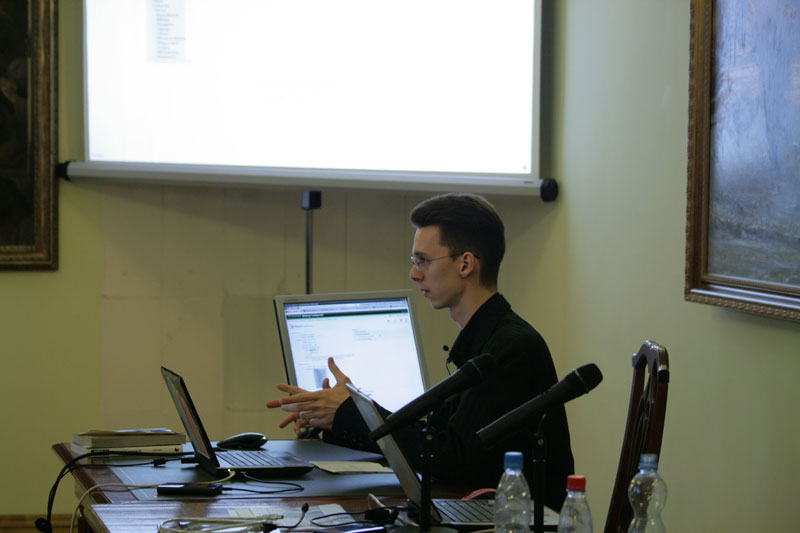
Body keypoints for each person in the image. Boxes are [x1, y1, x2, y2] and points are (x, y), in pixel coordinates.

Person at [266, 193, 574, 510]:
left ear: (466, 264)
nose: (414, 274)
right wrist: (334, 418)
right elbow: (433, 438)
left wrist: (351, 413)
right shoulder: (488, 340)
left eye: (423, 261)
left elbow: (452, 459)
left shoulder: (510, 348)